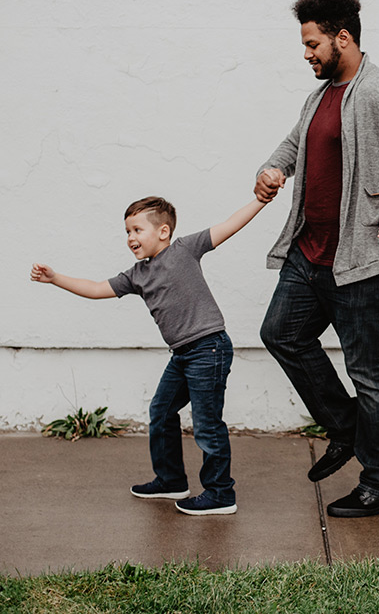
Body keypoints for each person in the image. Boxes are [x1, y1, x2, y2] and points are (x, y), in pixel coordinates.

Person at [256, 0, 379, 518]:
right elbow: (296, 143)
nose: (306, 53)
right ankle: (347, 430)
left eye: (313, 43)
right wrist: (273, 169)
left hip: (363, 260)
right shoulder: (320, 95)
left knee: (371, 372)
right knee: (281, 334)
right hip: (310, 253)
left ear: (343, 37)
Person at [30, 195, 267, 515]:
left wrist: (261, 200)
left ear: (163, 231)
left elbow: (229, 225)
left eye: (137, 230)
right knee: (162, 410)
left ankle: (221, 493)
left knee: (207, 424)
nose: (130, 238)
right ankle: (171, 480)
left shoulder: (185, 249)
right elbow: (98, 288)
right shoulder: (137, 275)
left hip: (208, 348)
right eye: (127, 232)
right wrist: (55, 278)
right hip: (182, 354)